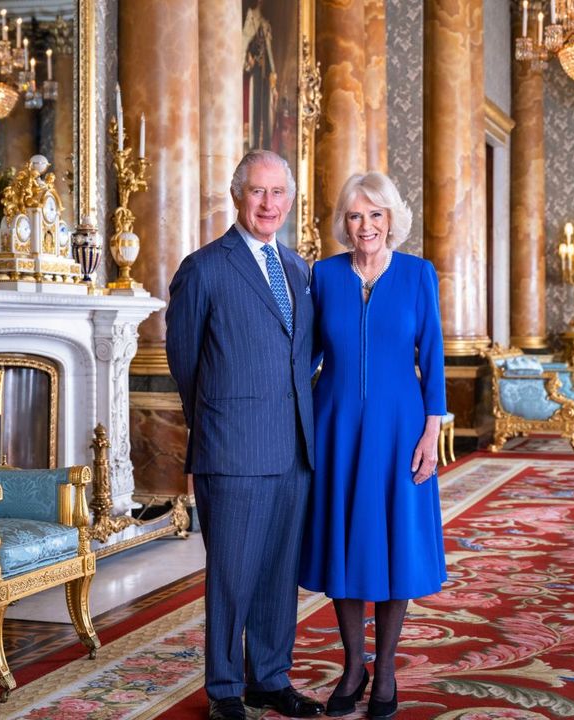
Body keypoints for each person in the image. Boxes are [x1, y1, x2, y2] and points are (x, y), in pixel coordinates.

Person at [167, 150, 325, 720]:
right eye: (258, 191)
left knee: (279, 573)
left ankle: (270, 677)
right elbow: (185, 362)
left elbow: (304, 356)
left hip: (295, 450)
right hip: (232, 448)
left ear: (289, 198)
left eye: (278, 192)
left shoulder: (300, 270)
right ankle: (226, 690)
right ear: (238, 196)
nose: (268, 203)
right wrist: (218, 423)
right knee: (231, 576)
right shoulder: (204, 267)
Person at [298, 171, 447, 720]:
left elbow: (431, 357)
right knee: (344, 542)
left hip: (400, 428)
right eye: (356, 216)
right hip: (335, 425)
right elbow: (306, 357)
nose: (366, 226)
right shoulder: (325, 275)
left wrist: (432, 432)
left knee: (394, 543)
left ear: (391, 220)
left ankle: (384, 671)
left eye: (376, 215)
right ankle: (353, 664)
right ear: (345, 222)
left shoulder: (417, 275)